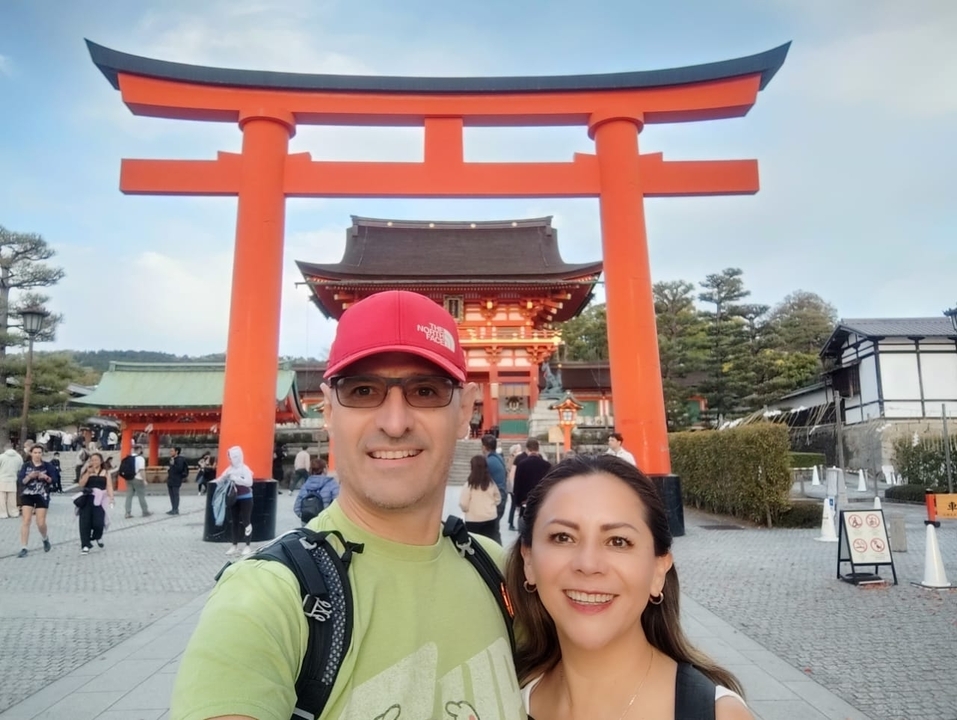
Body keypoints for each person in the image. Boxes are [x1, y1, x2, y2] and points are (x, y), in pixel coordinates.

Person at [170, 289, 523, 719]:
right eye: (362, 390)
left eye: (426, 390)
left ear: (465, 409)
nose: (395, 423)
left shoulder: (497, 572)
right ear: (328, 410)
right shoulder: (266, 599)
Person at [507, 454, 752, 719]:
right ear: (528, 560)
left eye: (618, 541)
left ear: (659, 570)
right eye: (563, 537)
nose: (588, 564)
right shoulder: (503, 699)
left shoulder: (719, 714)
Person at [16, 445, 58, 558]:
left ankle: (45, 538)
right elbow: (21, 481)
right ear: (31, 453)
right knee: (26, 520)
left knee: (40, 522)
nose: (37, 455)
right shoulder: (26, 466)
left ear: (42, 453)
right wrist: (30, 476)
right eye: (35, 452)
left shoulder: (48, 466)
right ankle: (24, 547)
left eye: (39, 452)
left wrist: (45, 477)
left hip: (42, 495)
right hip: (27, 494)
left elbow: (54, 480)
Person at [215, 445, 255, 557]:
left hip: (246, 498)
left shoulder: (245, 469)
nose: (230, 459)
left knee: (246, 521)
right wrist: (221, 480)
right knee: (234, 522)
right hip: (233, 498)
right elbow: (220, 479)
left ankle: (247, 545)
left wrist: (236, 479)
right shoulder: (229, 469)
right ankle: (234, 544)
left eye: (232, 457)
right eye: (229, 457)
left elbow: (249, 482)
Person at [458, 454, 502, 543]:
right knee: (489, 542)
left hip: (473, 519)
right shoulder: (491, 483)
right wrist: (492, 505)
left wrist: (466, 510)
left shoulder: (469, 485)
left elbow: (463, 503)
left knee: (476, 543)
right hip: (490, 517)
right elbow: (498, 498)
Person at [77, 452, 114, 554]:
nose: (94, 462)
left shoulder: (105, 472)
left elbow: (109, 486)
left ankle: (97, 536)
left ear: (101, 461)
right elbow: (81, 484)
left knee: (98, 522)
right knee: (85, 522)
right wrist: (88, 473)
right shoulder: (86, 470)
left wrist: (111, 498)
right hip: (87, 498)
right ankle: (85, 544)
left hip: (100, 500)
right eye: (92, 460)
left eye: (96, 460)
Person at [512, 437, 551, 533]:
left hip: (525, 501)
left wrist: (517, 502)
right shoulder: (547, 465)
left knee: (524, 530)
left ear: (527, 449)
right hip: (542, 501)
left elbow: (517, 484)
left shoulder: (521, 464)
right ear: (538, 449)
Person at [293, 456, 339, 524]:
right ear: (324, 469)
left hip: (308, 525)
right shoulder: (331, 483)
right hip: (325, 523)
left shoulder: (305, 485)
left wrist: (306, 517)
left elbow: (296, 508)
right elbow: (338, 504)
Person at [481, 433, 508, 522]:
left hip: (495, 498)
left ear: (484, 447)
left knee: (490, 526)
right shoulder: (499, 458)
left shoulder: (489, 461)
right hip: (502, 495)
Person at [124, 446, 151, 519]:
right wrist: (144, 480)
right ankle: (145, 511)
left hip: (129, 479)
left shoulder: (128, 458)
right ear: (139, 450)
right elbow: (142, 470)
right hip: (138, 479)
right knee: (141, 495)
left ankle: (127, 512)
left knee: (129, 496)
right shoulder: (140, 459)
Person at [0, 442, 24, 519]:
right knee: (12, 498)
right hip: (13, 479)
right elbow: (20, 468)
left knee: (1, 498)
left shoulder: (1, 457)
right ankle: (13, 512)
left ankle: (2, 513)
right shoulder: (18, 457)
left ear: (4, 448)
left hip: (2, 479)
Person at [506, 442, 525, 531]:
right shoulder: (513, 459)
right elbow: (511, 473)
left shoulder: (514, 459)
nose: (520, 451)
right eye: (518, 450)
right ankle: (511, 523)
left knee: (514, 505)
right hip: (512, 485)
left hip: (513, 484)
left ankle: (511, 522)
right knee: (514, 505)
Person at [166, 446, 190, 515]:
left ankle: (176, 509)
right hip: (170, 479)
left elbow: (179, 469)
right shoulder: (171, 459)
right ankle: (173, 508)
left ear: (176, 452)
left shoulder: (180, 460)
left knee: (175, 494)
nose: (170, 452)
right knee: (171, 495)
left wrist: (173, 464)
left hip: (176, 479)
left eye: (172, 451)